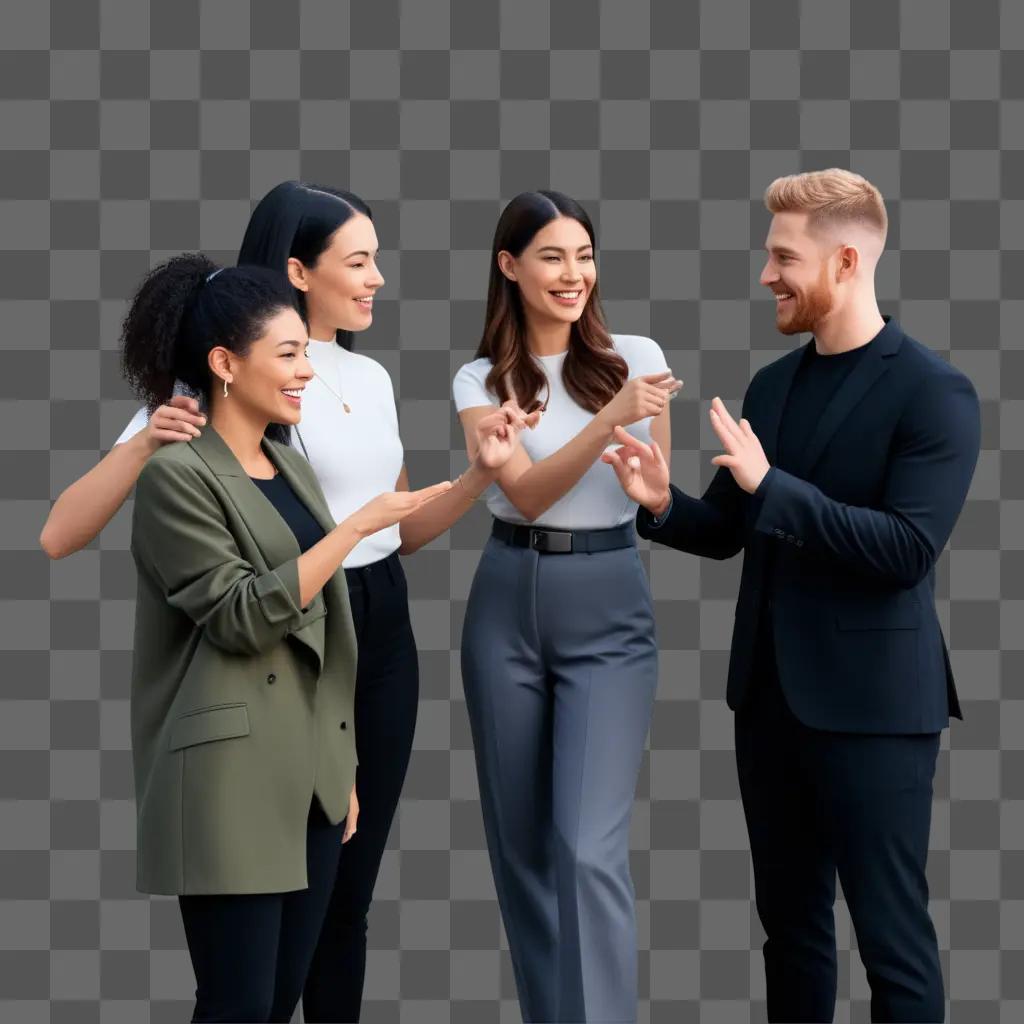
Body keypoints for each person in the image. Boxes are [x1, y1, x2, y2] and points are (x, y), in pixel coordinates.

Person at [40, 181, 527, 1022]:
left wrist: (481, 478)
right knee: (255, 939)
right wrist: (151, 434)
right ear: (299, 271)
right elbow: (61, 536)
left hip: (370, 625)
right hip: (271, 631)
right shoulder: (222, 384)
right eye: (359, 261)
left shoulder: (364, 377)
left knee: (345, 891)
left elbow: (396, 529)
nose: (377, 279)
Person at [604, 168, 981, 1022]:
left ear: (846, 261)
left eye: (783, 257)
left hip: (878, 712)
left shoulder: (936, 392)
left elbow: (906, 551)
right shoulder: (774, 386)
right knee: (792, 935)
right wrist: (662, 503)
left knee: (893, 940)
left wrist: (774, 485)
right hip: (769, 705)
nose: (767, 275)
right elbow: (730, 529)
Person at [123, 253, 452, 1021]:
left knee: (278, 1002)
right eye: (290, 353)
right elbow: (240, 615)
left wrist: (338, 764)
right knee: (237, 1006)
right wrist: (361, 525)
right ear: (224, 365)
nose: (308, 369)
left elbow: (328, 629)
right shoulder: (176, 477)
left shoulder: (285, 464)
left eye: (306, 350)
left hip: (310, 782)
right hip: (228, 782)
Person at [453, 190, 682, 1024]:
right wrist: (612, 419)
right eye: (551, 256)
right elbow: (527, 495)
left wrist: (652, 487)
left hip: (609, 602)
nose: (573, 274)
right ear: (509, 266)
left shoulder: (636, 353)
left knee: (587, 848)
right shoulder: (479, 379)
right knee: (522, 854)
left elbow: (645, 487)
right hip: (505, 601)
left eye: (584, 255)